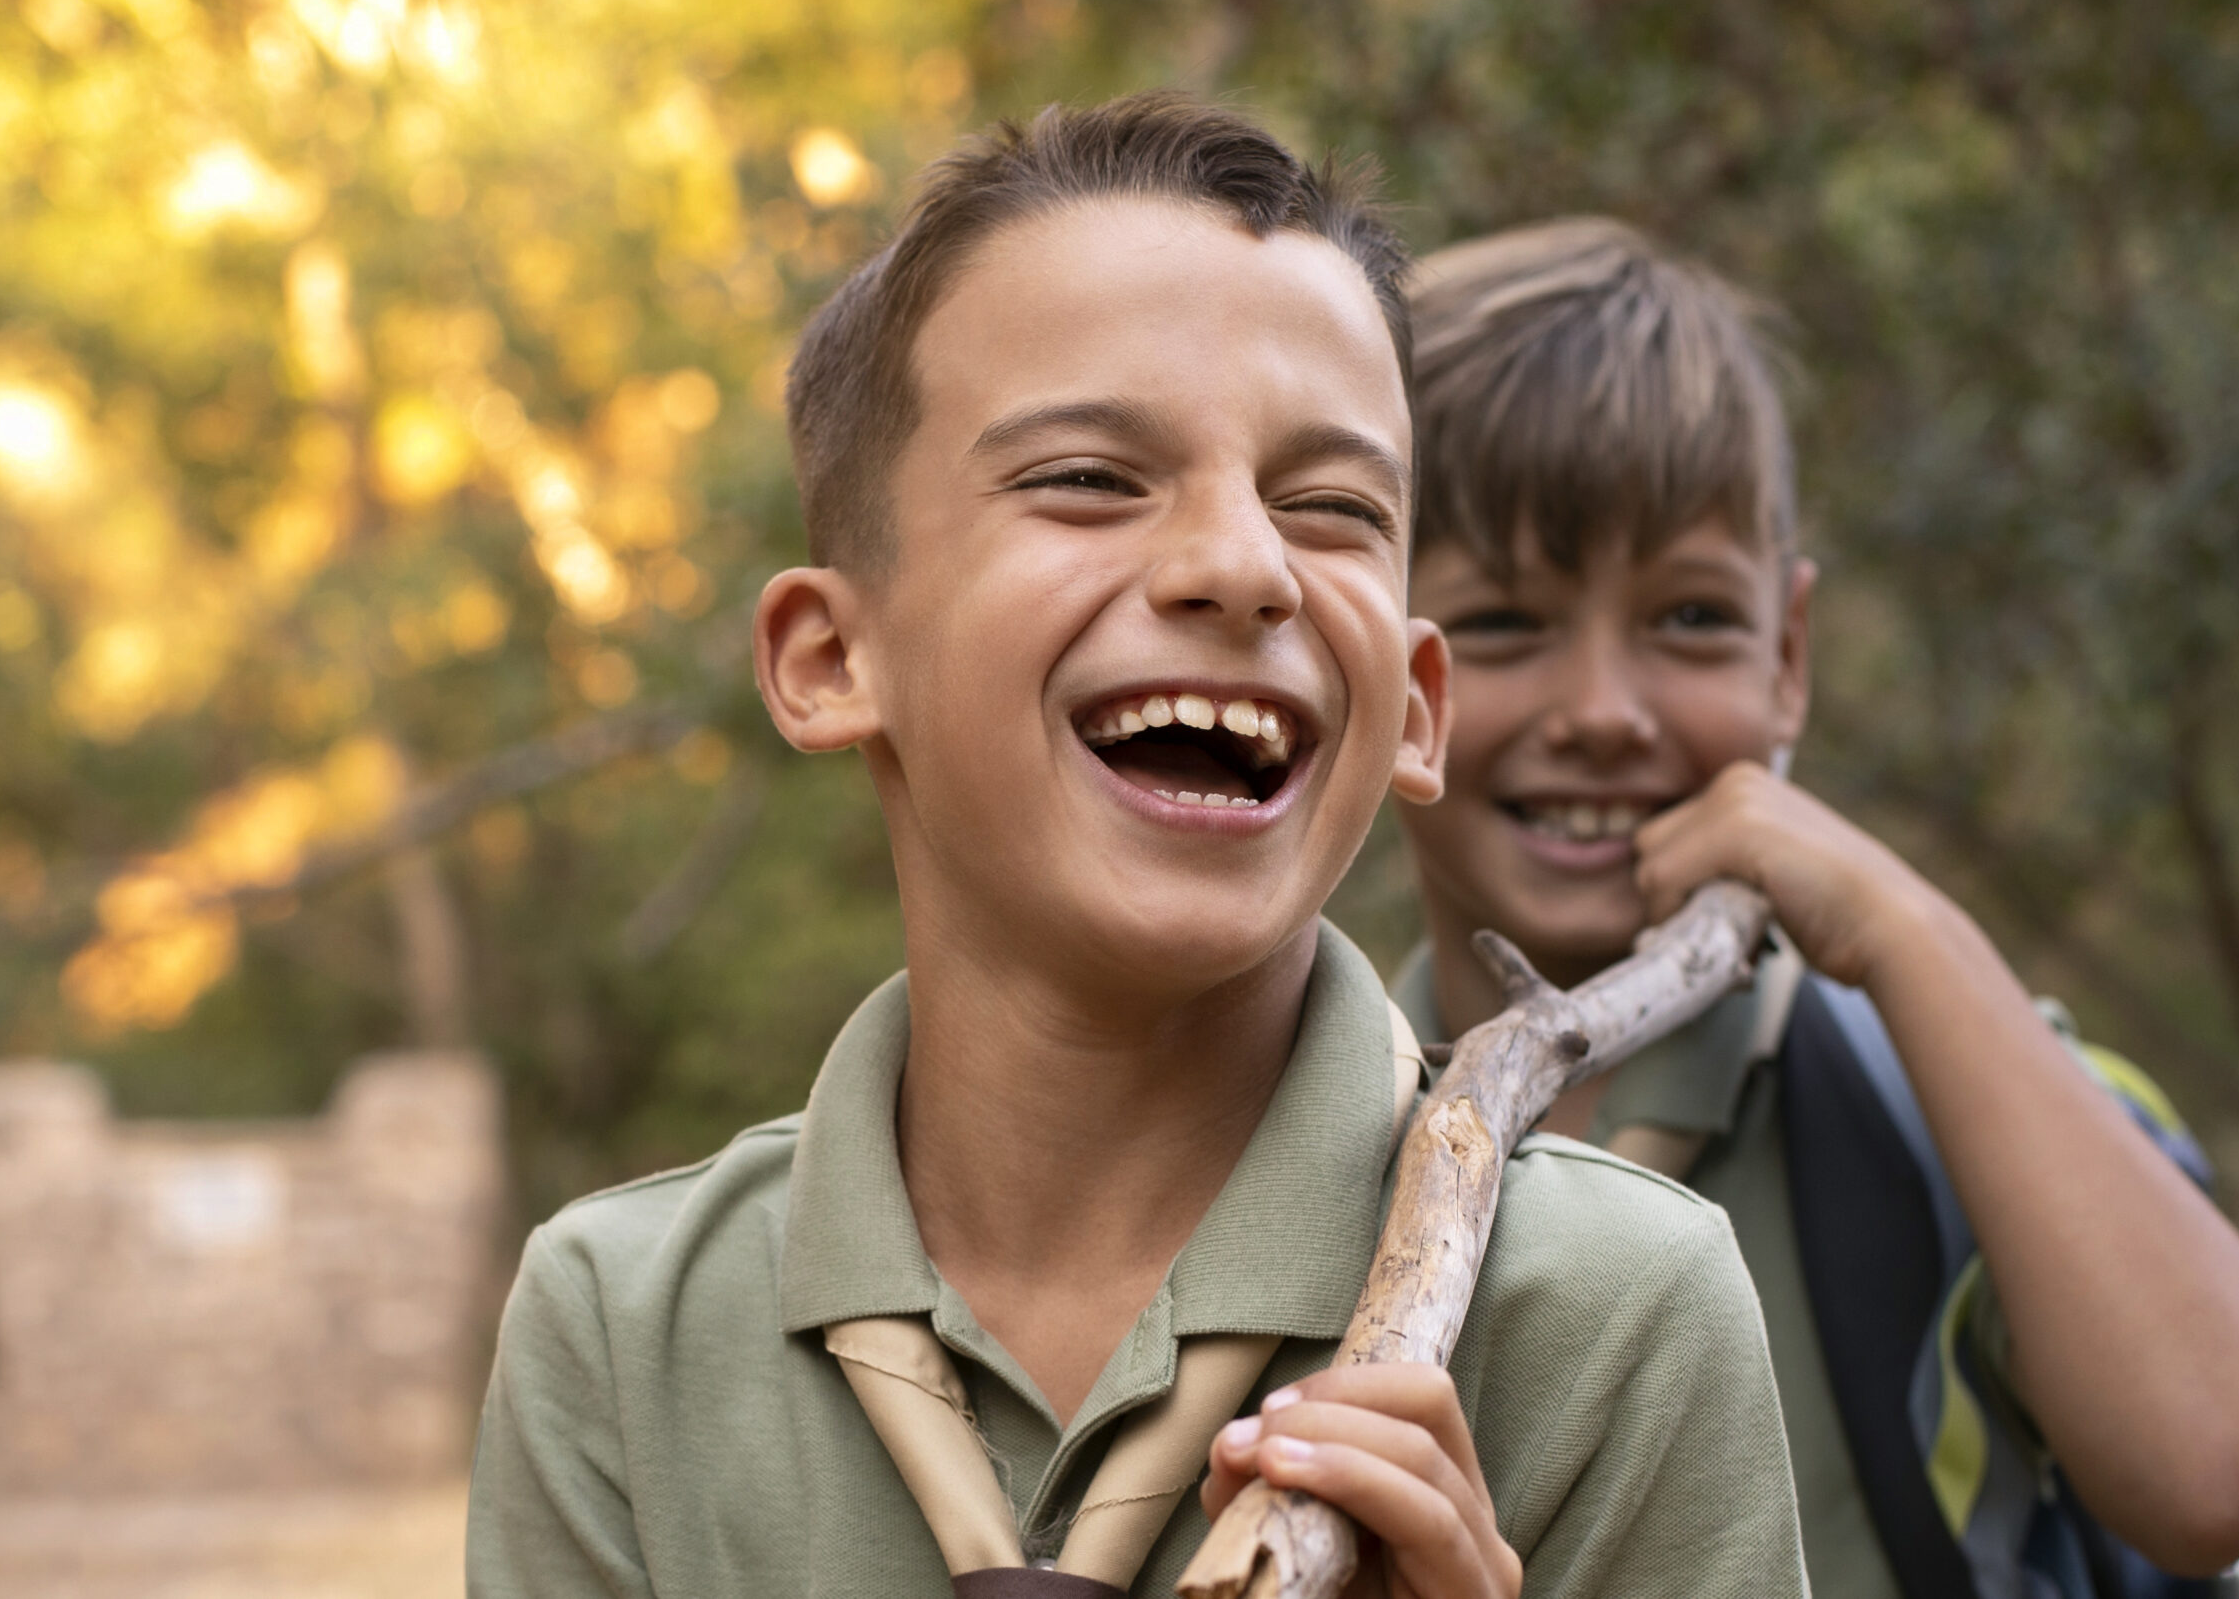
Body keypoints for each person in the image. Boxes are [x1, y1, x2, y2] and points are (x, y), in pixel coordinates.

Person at [466, 102, 1810, 1599]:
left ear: (1415, 708)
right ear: (832, 658)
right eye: (1090, 479)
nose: (1244, 565)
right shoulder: (624, 1332)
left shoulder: (1618, 1314)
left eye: (1333, 507)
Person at [1389, 217, 2239, 1599]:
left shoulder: (1942, 1085)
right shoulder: (1310, 1114)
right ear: (1392, 666)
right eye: (1507, 625)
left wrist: (1902, 929)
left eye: (1692, 620)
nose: (1604, 711)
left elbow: (2225, 1475)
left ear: (1790, 654)